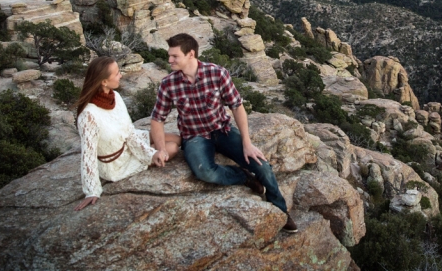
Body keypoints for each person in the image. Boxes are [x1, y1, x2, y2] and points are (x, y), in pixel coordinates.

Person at [149, 33, 297, 233]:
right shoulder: (168, 84)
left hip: (222, 130)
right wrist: (160, 149)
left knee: (262, 166)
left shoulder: (217, 73)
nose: (170, 60)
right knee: (205, 172)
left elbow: (237, 106)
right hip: (194, 137)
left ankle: (281, 211)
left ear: (190, 54)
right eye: (169, 55)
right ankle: (243, 176)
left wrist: (247, 143)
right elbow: (157, 119)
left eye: (175, 56)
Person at [74, 56, 182, 211]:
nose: (121, 75)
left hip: (129, 141)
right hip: (117, 163)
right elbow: (88, 154)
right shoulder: (89, 115)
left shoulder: (115, 97)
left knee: (176, 138)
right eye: (117, 73)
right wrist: (91, 191)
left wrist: (148, 152)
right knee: (172, 148)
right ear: (104, 81)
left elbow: (129, 131)